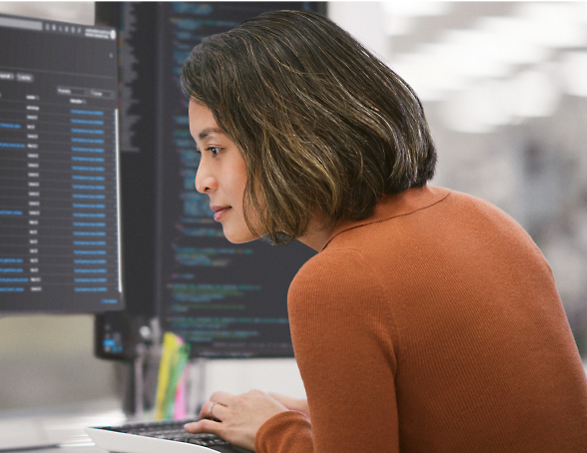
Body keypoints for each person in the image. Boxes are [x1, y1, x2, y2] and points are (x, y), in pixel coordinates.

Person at [178, 10, 587, 453]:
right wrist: (305, 412)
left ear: (288, 138)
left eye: (215, 149)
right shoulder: (486, 221)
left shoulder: (337, 280)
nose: (202, 179)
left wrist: (272, 431)